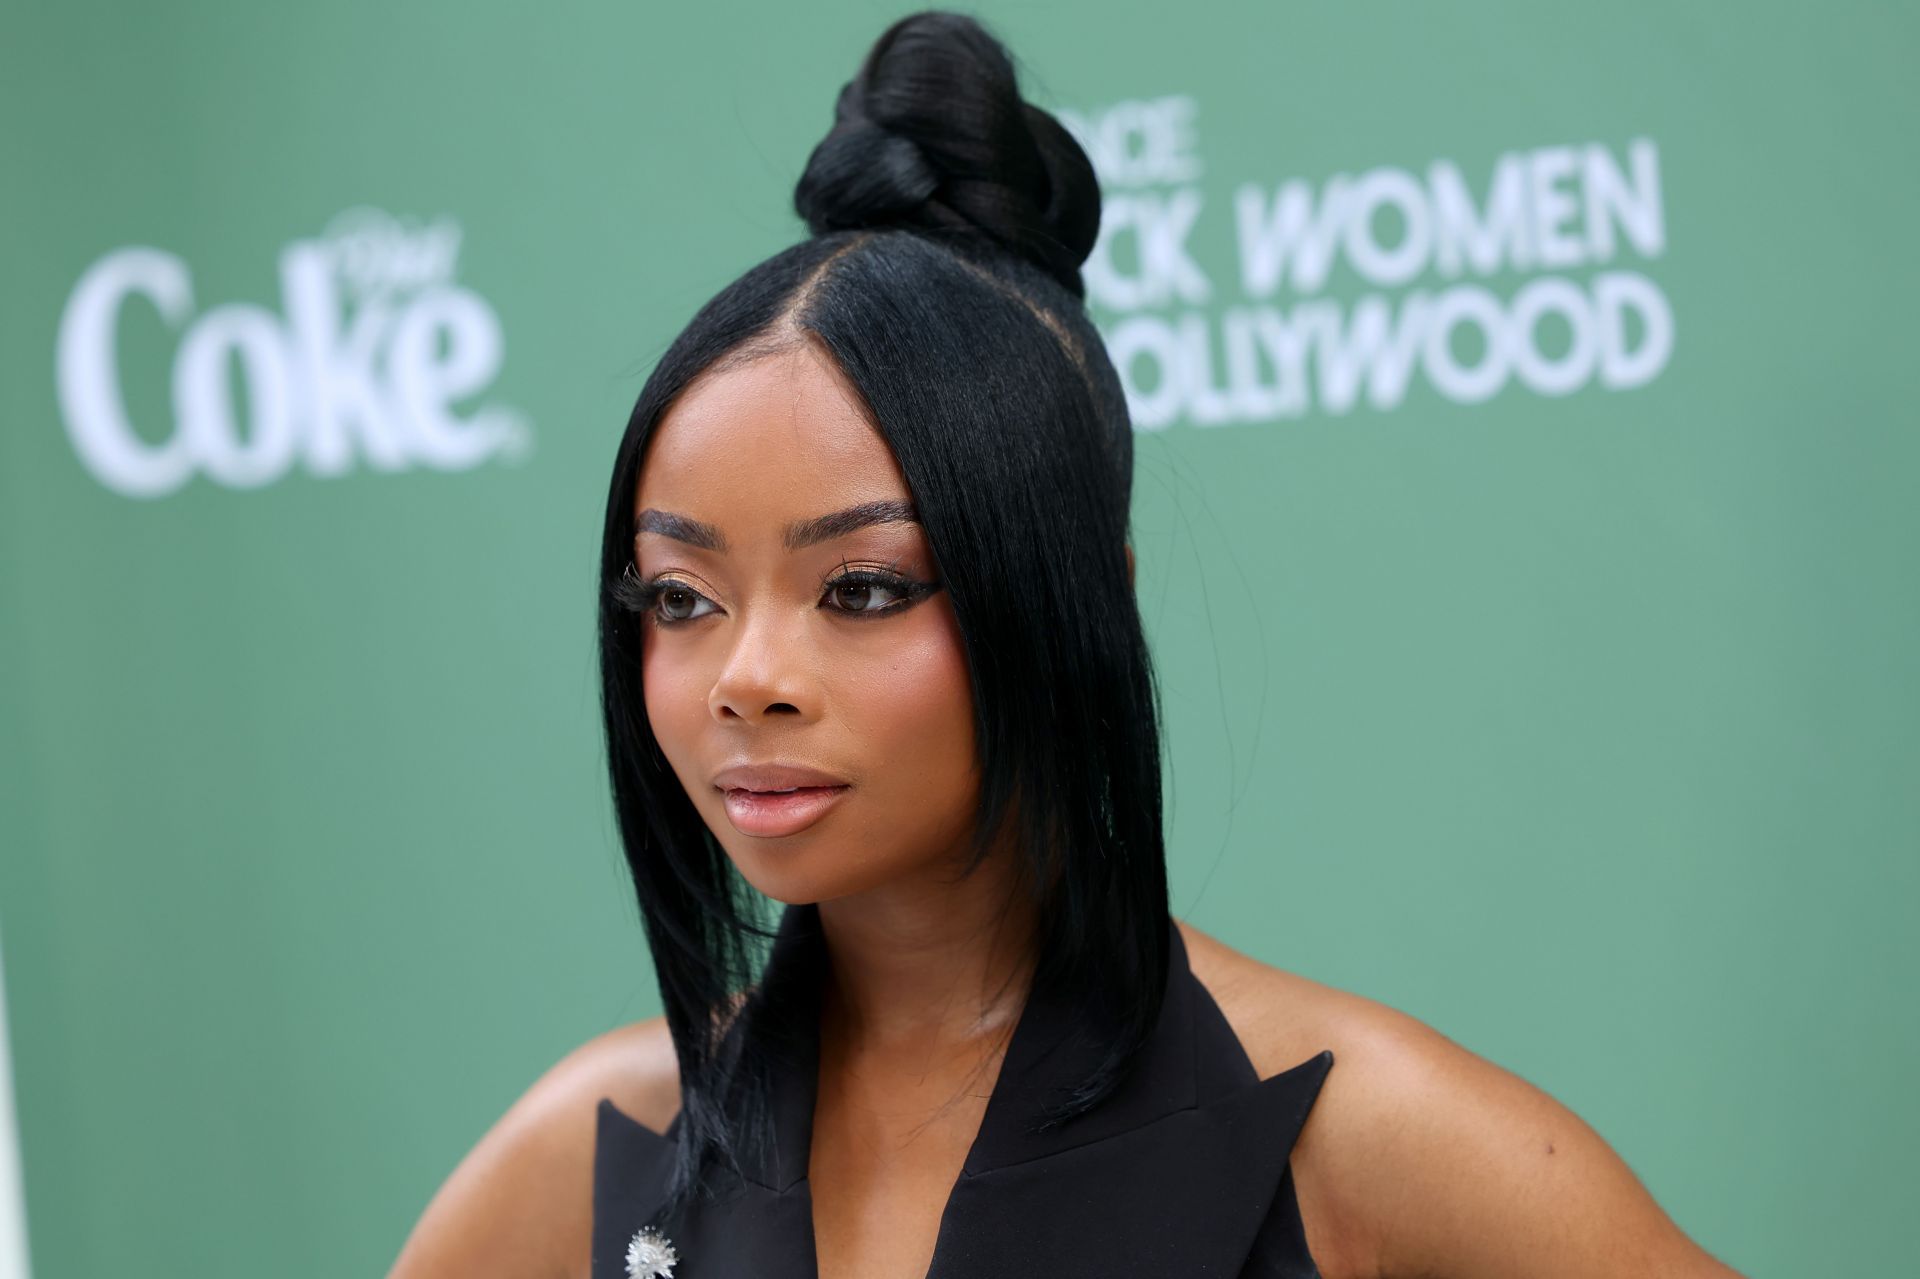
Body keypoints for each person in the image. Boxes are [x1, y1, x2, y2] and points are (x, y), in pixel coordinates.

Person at [389, 11, 1744, 1278]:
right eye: (681, 598)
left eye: (860, 589)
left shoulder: (1368, 1134)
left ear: (1081, 600)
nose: (746, 679)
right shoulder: (593, 1154)